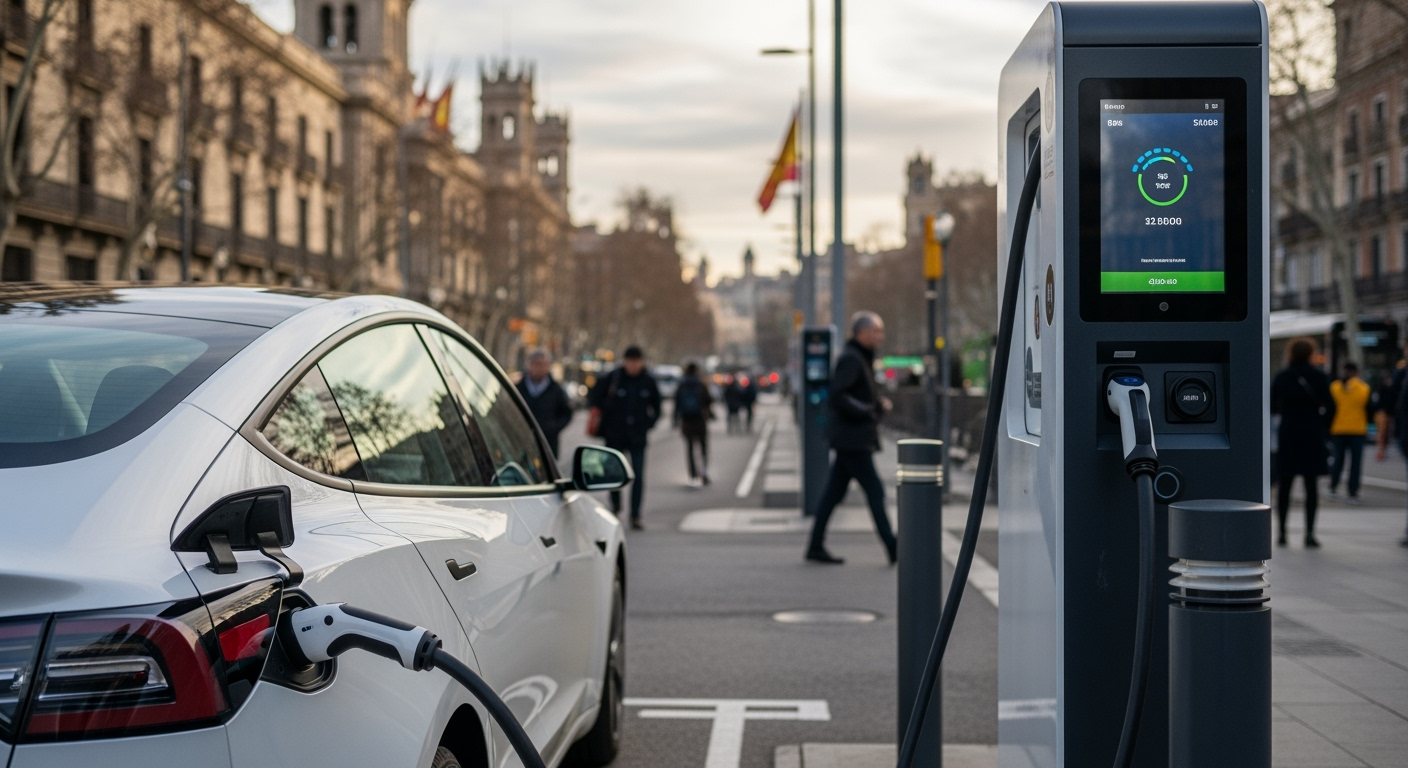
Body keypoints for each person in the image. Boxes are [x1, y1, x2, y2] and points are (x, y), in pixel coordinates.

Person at [805, 311, 899, 565]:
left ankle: (815, 545)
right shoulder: (852, 359)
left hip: (851, 439)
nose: (880, 336)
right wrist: (869, 410)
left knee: (832, 495)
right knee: (875, 491)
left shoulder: (859, 358)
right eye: (876, 331)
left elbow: (851, 394)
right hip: (853, 440)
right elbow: (838, 395)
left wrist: (876, 404)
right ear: (862, 333)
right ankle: (892, 545)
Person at [1270, 338, 1335, 548]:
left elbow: (1271, 405)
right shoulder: (1319, 376)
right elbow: (1331, 406)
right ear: (1310, 353)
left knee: (1285, 484)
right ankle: (1309, 534)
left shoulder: (1282, 376)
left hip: (1288, 433)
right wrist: (1323, 427)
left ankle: (1281, 533)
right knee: (1311, 486)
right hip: (1312, 433)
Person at [589, 346, 661, 530]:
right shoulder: (613, 379)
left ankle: (635, 515)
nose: (633, 365)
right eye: (630, 361)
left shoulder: (647, 381)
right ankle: (616, 505)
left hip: (637, 437)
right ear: (625, 361)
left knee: (638, 476)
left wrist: (648, 423)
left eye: (636, 362)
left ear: (641, 362)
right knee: (613, 474)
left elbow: (657, 406)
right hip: (615, 436)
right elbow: (595, 398)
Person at [1375, 346, 1408, 547]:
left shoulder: (1402, 375)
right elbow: (1389, 409)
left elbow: (1389, 410)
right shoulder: (1401, 375)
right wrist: (1383, 441)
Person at [516, 349, 574, 460]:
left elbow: (567, 414)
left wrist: (553, 428)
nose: (539, 368)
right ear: (529, 365)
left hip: (548, 445)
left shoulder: (556, 390)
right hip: (522, 444)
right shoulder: (519, 388)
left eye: (543, 364)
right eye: (536, 364)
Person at [1328, 361, 1370, 504]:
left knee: (1338, 460)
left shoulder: (1334, 387)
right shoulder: (1363, 388)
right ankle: (1352, 493)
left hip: (1338, 429)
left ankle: (1333, 487)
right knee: (1355, 463)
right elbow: (1370, 409)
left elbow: (1329, 409)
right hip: (1357, 429)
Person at [673, 362, 714, 488]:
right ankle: (704, 472)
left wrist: (675, 420)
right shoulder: (701, 384)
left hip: (687, 421)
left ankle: (693, 476)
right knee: (703, 447)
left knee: (690, 449)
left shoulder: (682, 385)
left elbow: (677, 403)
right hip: (700, 420)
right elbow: (709, 400)